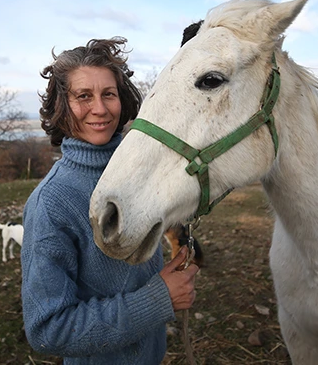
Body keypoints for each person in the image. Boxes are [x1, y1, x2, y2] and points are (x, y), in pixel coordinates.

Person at [20, 37, 200, 364]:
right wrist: (160, 298)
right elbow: (47, 329)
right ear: (61, 105)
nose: (100, 109)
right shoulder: (50, 203)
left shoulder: (139, 172)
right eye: (83, 96)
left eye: (109, 94)